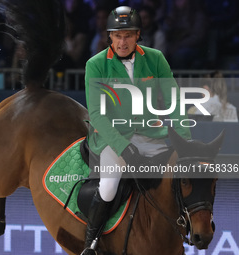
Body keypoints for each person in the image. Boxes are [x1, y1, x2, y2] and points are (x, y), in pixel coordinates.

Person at [82, 6, 191, 254]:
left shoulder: (155, 59)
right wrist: (123, 147)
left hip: (152, 137)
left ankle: (189, 231)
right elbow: (97, 116)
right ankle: (91, 243)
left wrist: (184, 141)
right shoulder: (95, 65)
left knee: (179, 180)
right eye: (118, 36)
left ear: (138, 35)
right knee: (109, 185)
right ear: (109, 36)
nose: (123, 41)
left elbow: (174, 102)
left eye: (128, 35)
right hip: (113, 140)